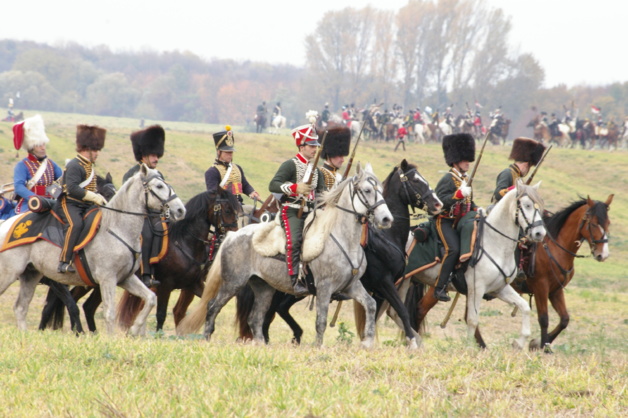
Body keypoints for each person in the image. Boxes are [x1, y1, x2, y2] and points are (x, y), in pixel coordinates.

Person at [269, 120, 325, 294]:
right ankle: (294, 280)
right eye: (311, 145)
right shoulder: (290, 165)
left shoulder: (317, 171)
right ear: (301, 147)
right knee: (294, 242)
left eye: (315, 145)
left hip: (312, 212)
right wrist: (295, 187)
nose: (314, 148)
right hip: (292, 211)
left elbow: (323, 194)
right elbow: (274, 184)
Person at [56, 125, 107, 273]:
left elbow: (91, 187)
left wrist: (98, 196)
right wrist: (93, 197)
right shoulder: (74, 165)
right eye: (95, 150)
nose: (97, 153)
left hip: (85, 204)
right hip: (70, 203)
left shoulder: (89, 166)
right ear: (87, 149)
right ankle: (64, 261)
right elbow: (72, 188)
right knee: (75, 225)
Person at [433, 133, 478, 302]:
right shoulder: (448, 178)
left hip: (461, 222)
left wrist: (477, 208)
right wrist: (458, 194)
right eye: (465, 159)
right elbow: (439, 202)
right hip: (444, 221)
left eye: (468, 159)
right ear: (455, 160)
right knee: (453, 249)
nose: (468, 162)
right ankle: (439, 287)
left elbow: (469, 202)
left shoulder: (465, 179)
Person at [122, 125, 166, 287]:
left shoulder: (158, 174)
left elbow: (165, 196)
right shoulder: (132, 174)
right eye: (153, 155)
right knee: (147, 235)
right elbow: (126, 199)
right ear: (144, 156)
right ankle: (145, 274)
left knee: (166, 228)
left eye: (157, 155)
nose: (156, 159)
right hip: (137, 217)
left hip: (155, 214)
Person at [12, 114, 63, 215]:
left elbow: (62, 179)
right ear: (31, 147)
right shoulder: (22, 165)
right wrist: (34, 198)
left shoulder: (51, 164)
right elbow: (19, 186)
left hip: (51, 203)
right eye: (39, 145)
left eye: (43, 144)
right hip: (31, 204)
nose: (43, 147)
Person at [205, 125, 260, 203]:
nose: (230, 154)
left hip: (239, 205)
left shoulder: (237, 168)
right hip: (223, 207)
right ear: (219, 152)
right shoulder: (212, 171)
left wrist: (252, 192)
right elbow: (213, 195)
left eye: (231, 152)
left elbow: (245, 185)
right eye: (227, 152)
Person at [492, 137, 546, 203]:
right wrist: (516, 189)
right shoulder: (507, 173)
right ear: (526, 164)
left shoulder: (518, 176)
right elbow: (498, 194)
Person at [319, 124, 351, 189]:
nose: (343, 160)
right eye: (340, 156)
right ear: (330, 154)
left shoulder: (338, 176)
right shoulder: (320, 174)